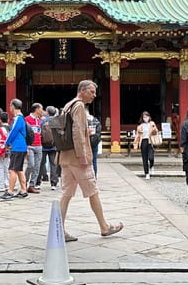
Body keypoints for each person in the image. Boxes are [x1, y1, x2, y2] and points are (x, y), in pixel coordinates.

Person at [59, 80, 123, 240]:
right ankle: (104, 226)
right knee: (93, 191)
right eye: (92, 92)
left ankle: (59, 229)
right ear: (82, 90)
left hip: (65, 156)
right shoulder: (79, 106)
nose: (94, 95)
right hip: (77, 157)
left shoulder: (68, 105)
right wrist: (83, 156)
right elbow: (77, 133)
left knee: (66, 194)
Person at [0, 98, 28, 200]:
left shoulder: (17, 119)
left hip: (17, 146)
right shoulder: (22, 118)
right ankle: (23, 190)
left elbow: (13, 132)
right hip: (22, 146)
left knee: (12, 170)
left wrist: (7, 143)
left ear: (13, 106)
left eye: (10, 106)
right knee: (19, 169)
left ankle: (10, 191)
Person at [37, 105, 60, 190]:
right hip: (53, 146)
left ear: (47, 112)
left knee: (41, 164)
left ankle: (38, 182)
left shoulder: (42, 121)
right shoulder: (56, 121)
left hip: (43, 146)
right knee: (53, 164)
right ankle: (54, 183)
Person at [133, 110, 159, 180]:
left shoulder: (152, 123)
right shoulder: (140, 126)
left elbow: (156, 131)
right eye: (144, 117)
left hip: (150, 141)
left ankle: (151, 166)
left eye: (146, 117)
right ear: (142, 118)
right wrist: (135, 144)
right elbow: (137, 136)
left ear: (149, 117)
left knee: (151, 157)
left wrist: (154, 130)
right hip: (143, 141)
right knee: (144, 159)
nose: (145, 118)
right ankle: (147, 173)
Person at [24, 103, 44, 193]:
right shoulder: (27, 119)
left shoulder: (39, 120)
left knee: (37, 167)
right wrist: (26, 146)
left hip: (39, 145)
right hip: (30, 145)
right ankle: (24, 182)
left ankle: (32, 185)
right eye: (41, 109)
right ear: (36, 109)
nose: (42, 111)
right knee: (30, 165)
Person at [0, 111, 11, 192]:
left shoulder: (0, 129)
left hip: (1, 149)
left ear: (0, 119)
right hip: (9, 149)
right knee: (6, 167)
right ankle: (7, 184)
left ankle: (1, 185)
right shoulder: (10, 128)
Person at [87, 112, 102, 177]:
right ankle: (94, 176)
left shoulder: (85, 122)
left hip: (87, 143)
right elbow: (99, 134)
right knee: (94, 161)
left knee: (87, 161)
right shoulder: (97, 122)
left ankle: (88, 176)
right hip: (95, 143)